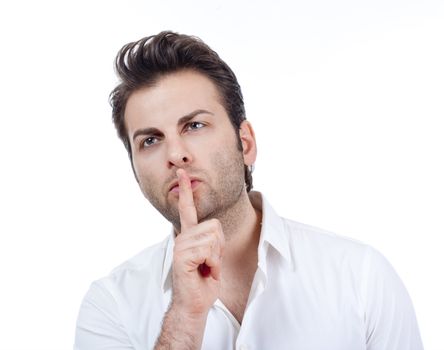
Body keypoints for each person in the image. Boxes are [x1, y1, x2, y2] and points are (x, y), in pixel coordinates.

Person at [74, 31, 423, 350]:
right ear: (135, 171)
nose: (175, 154)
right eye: (150, 140)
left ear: (246, 143)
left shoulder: (360, 277)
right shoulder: (111, 305)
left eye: (194, 125)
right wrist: (185, 317)